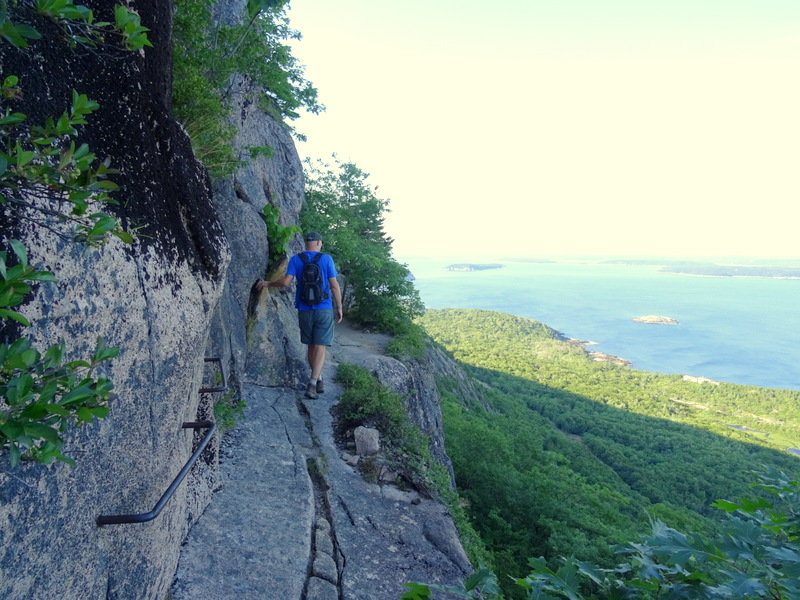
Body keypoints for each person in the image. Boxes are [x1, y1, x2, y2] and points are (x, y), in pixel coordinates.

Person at [256, 231, 343, 399]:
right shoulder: (326, 259)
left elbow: (285, 282)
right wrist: (339, 307)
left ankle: (319, 378)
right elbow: (334, 286)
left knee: (311, 345)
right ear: (318, 243)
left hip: (304, 308)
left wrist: (267, 283)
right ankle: (312, 384)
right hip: (323, 308)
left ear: (306, 243)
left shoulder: (297, 259)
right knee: (320, 346)